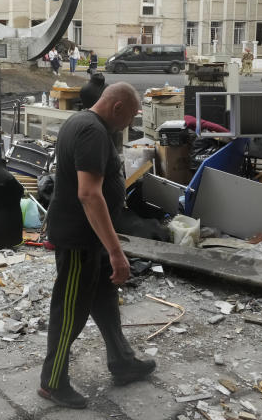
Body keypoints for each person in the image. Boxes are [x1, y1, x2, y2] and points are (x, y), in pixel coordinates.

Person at [38, 82, 156, 409]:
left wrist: (110, 244)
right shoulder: (91, 132)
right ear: (117, 107)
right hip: (79, 240)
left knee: (104, 299)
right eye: (130, 117)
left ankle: (122, 361)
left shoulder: (83, 122)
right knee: (70, 312)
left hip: (93, 237)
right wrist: (117, 252)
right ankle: (52, 382)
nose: (130, 124)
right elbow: (88, 194)